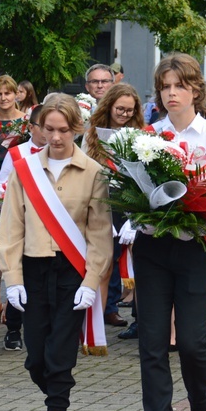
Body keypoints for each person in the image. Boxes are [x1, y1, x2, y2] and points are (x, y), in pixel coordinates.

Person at [0, 94, 112, 411]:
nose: (57, 137)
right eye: (50, 129)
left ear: (77, 129)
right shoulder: (24, 169)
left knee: (60, 352)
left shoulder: (93, 172)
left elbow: (99, 234)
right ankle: (56, 403)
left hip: (71, 272)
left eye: (64, 130)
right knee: (36, 358)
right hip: (33, 270)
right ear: (40, 128)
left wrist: (92, 281)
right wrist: (12, 279)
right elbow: (11, 227)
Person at [132, 53, 206, 411]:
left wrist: (199, 218)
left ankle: (201, 401)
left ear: (196, 90)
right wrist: (139, 217)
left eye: (180, 85)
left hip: (195, 248)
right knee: (152, 342)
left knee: (192, 343)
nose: (172, 93)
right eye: (165, 86)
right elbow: (132, 191)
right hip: (153, 248)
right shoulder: (147, 137)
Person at [82, 83, 145, 329]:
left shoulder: (140, 133)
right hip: (101, 200)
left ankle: (133, 316)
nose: (124, 114)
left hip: (130, 202)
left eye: (130, 110)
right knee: (104, 260)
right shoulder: (92, 134)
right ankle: (101, 313)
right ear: (109, 106)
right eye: (120, 109)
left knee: (130, 260)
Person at [0, 105, 48, 351]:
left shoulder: (65, 153)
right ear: (31, 127)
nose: (50, 134)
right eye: (44, 127)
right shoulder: (17, 154)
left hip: (53, 228)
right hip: (23, 226)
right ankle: (14, 328)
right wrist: (8, 198)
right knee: (19, 276)